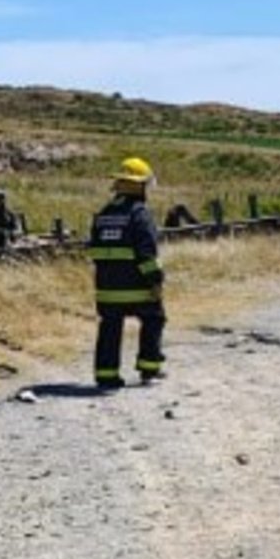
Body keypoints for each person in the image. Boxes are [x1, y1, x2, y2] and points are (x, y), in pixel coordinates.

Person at [86, 157, 165, 389]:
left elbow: (96, 250)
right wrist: (155, 282)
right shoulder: (139, 215)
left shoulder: (103, 215)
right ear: (139, 185)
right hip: (138, 288)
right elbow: (146, 254)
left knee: (110, 327)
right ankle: (149, 370)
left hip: (107, 290)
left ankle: (106, 375)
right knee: (154, 319)